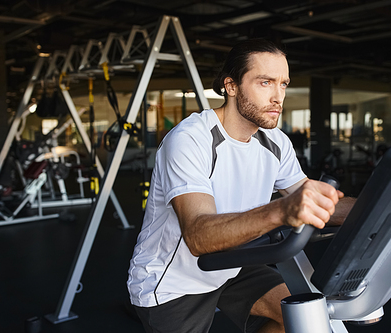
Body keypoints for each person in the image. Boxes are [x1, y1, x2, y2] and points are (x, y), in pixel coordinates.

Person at [127, 39, 353, 333]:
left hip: (233, 267)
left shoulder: (276, 142)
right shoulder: (190, 139)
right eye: (265, 83)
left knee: (309, 321)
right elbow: (198, 237)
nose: (277, 96)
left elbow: (312, 198)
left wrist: (386, 204)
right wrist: (282, 210)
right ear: (230, 86)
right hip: (175, 282)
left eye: (283, 84)